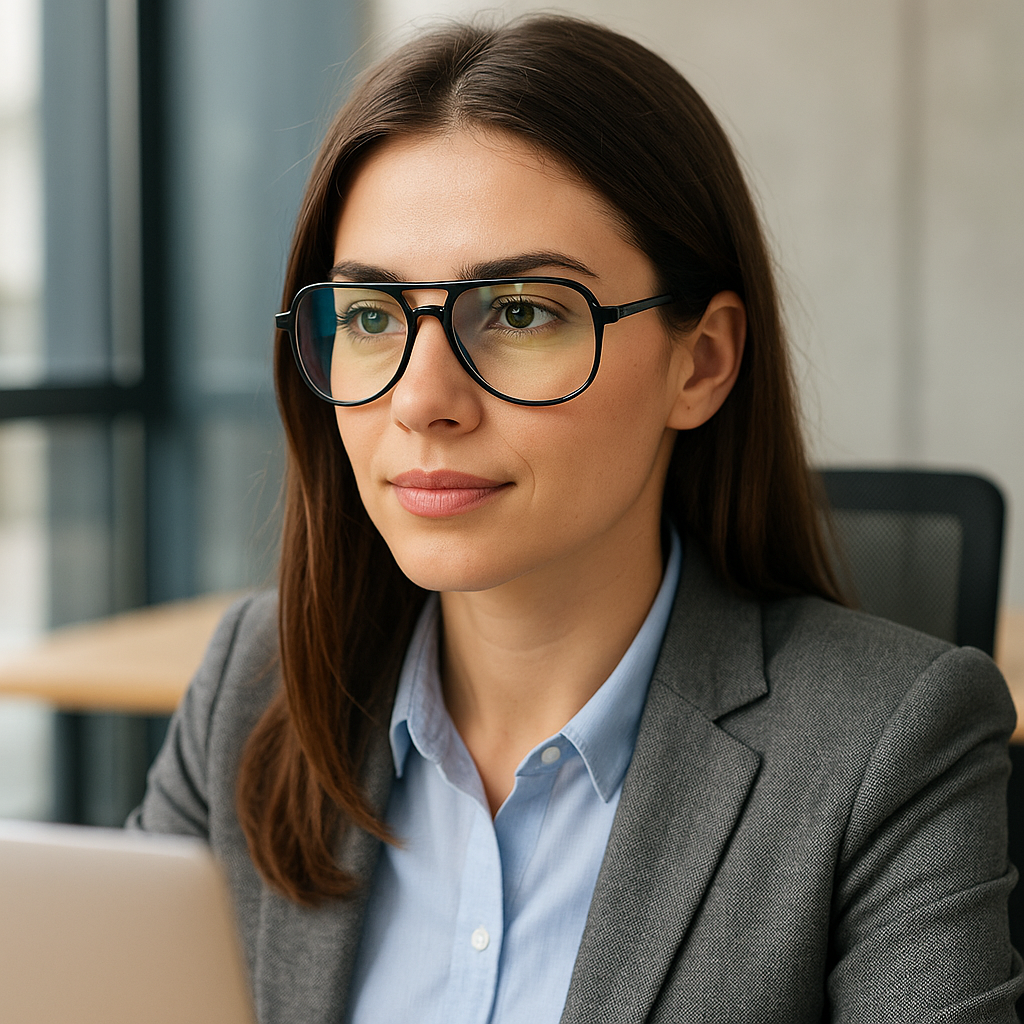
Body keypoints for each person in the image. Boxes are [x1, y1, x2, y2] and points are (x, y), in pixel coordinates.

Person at [129, 13, 1022, 1023]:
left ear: (703, 360)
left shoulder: (888, 745)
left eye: (518, 312)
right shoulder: (255, 693)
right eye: (372, 318)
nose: (422, 399)